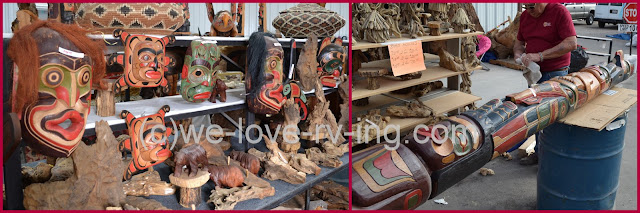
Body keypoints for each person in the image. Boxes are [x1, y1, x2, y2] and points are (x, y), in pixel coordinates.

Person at [513, 3, 577, 165]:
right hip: (534, 74)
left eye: (532, 6)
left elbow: (571, 43)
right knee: (538, 113)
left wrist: (540, 55)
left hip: (556, 71)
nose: (529, 10)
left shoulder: (559, 11)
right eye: (526, 6)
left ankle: (554, 157)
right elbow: (519, 43)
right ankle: (539, 153)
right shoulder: (526, 16)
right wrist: (518, 54)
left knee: (554, 115)